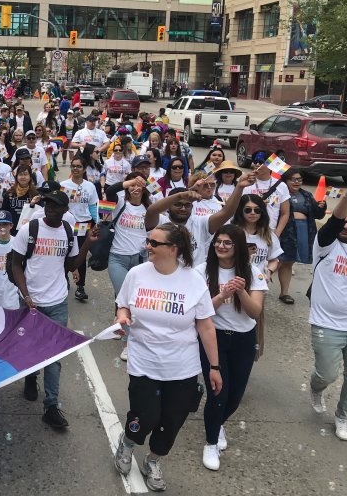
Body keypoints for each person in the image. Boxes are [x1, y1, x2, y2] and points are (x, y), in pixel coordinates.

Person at [113, 223, 222, 492]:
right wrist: (122, 316)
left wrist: (215, 367)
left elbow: (206, 326)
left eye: (154, 243)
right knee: (145, 416)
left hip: (182, 366)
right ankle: (128, 442)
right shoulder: (137, 274)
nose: (147, 246)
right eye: (148, 241)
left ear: (173, 249)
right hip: (144, 362)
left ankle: (153, 460)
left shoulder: (194, 280)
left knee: (171, 422)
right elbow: (123, 303)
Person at [10, 189, 98, 429]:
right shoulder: (31, 229)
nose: (49, 207)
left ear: (65, 210)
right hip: (31, 302)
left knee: (54, 355)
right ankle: (30, 376)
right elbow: (16, 264)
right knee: (28, 347)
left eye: (55, 205)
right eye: (47, 203)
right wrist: (25, 295)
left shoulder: (68, 231)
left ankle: (51, 406)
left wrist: (88, 243)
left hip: (58, 301)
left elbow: (70, 265)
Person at [195, 225, 266, 470]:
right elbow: (198, 313)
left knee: (234, 397)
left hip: (243, 339)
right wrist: (222, 295)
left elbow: (254, 312)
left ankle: (217, 423)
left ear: (238, 247)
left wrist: (241, 292)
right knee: (218, 394)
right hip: (213, 339)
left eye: (227, 243)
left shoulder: (253, 272)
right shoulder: (201, 271)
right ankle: (211, 442)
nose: (221, 246)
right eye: (218, 242)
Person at [307, 181, 347, 442]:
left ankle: (343, 415)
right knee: (327, 374)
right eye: (344, 222)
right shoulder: (325, 245)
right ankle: (316, 386)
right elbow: (333, 225)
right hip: (326, 325)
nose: (346, 226)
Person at [145, 173, 252, 268]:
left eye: (187, 205)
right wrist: (181, 195)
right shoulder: (160, 222)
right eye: (178, 204)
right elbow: (151, 211)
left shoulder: (200, 223)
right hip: (163, 277)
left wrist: (239, 187)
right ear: (168, 207)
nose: (183, 208)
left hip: (193, 280)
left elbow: (226, 212)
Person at [277, 168, 327, 304]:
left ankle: (284, 293)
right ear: (285, 181)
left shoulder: (306, 195)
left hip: (304, 230)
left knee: (289, 261)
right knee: (279, 260)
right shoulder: (279, 193)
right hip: (286, 231)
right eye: (293, 179)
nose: (297, 182)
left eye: (299, 179)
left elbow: (318, 214)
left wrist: (322, 207)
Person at [61, 156, 99, 301]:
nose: (75, 169)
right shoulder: (63, 185)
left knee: (80, 256)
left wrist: (97, 223)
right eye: (73, 166)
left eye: (78, 166)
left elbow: (93, 206)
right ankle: (63, 279)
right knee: (64, 254)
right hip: (66, 225)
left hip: (84, 224)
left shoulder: (90, 186)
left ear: (84, 169)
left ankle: (80, 286)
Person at [242, 152, 291, 237]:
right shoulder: (246, 183)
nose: (257, 164)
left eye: (261, 162)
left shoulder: (281, 185)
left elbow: (285, 213)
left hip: (271, 233)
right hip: (248, 232)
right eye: (255, 161)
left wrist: (277, 234)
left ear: (270, 165)